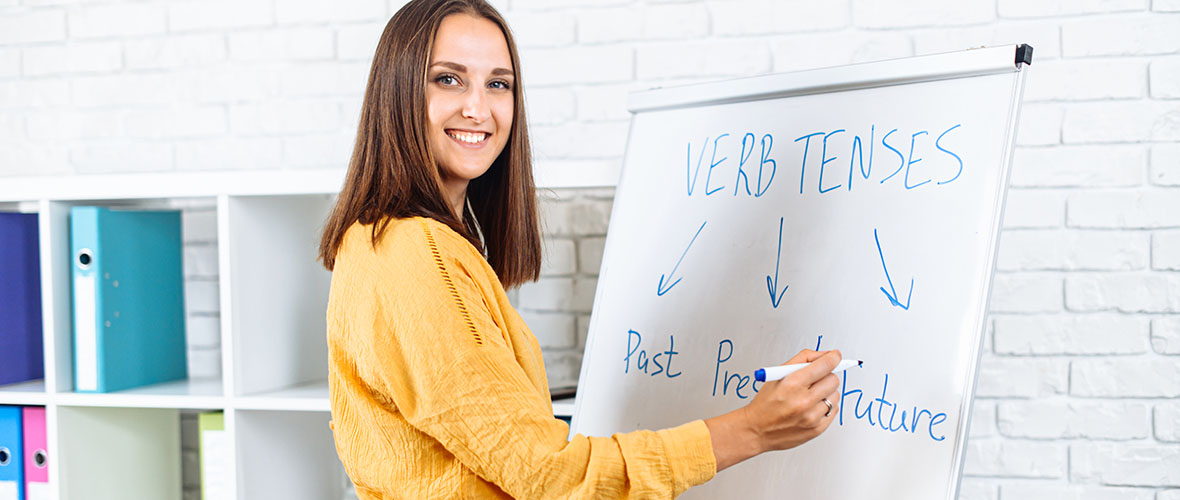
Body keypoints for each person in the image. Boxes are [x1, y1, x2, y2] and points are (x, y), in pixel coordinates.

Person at [318, 0, 844, 498]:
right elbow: (547, 475)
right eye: (448, 79)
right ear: (397, 92)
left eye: (499, 84)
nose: (478, 108)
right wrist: (751, 429)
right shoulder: (412, 254)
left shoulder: (388, 240)